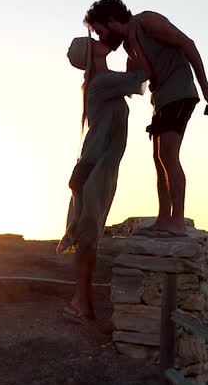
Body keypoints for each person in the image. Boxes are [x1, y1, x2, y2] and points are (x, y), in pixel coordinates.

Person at [84, 0, 208, 236]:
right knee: (159, 162)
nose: (100, 37)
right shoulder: (130, 45)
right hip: (161, 101)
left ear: (111, 20)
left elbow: (187, 43)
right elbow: (135, 81)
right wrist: (100, 69)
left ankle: (177, 222)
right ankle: (164, 219)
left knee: (168, 156)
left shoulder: (147, 21)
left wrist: (206, 87)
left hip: (179, 93)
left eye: (99, 31)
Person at [57, 34, 147, 324]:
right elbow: (142, 76)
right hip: (94, 170)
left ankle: (80, 303)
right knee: (87, 239)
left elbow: (136, 80)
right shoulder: (102, 83)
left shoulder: (103, 81)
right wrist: (134, 40)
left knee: (90, 239)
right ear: (90, 53)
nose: (99, 41)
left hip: (96, 169)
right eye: (93, 41)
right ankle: (80, 305)